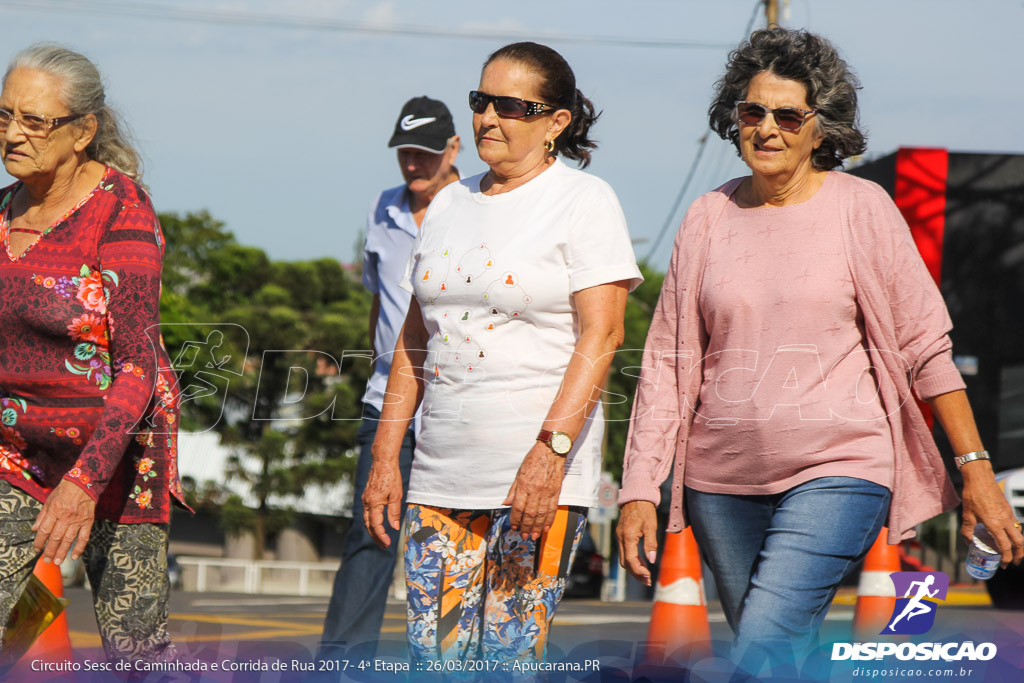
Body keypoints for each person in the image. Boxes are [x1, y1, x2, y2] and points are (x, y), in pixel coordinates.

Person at [617, 27, 1023, 674]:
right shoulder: (706, 217)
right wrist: (639, 485)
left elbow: (926, 347)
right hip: (719, 485)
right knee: (781, 652)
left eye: (787, 115)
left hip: (842, 467)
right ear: (735, 118)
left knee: (763, 642)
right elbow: (666, 363)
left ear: (820, 128)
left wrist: (974, 468)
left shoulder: (862, 209)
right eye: (753, 112)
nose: (767, 129)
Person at [364, 41, 642, 666]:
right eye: (480, 101)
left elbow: (602, 337)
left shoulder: (584, 201)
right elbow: (414, 340)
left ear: (556, 122)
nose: (489, 117)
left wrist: (551, 456)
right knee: (434, 663)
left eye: (512, 106)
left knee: (506, 665)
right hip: (440, 477)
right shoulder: (447, 205)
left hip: (536, 479)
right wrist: (387, 453)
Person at [0, 44, 186, 663]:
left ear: (83, 132)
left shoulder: (121, 211)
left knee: (133, 649)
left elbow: (137, 363)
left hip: (119, 454)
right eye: (4, 116)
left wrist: (83, 483)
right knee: (15, 631)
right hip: (16, 453)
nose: (13, 134)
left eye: (34, 120)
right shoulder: (3, 214)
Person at [317, 96, 460, 666]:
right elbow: (380, 302)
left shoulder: (477, 205)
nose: (412, 164)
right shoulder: (383, 208)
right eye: (404, 153)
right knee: (370, 535)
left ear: (453, 149)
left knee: (447, 544)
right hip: (388, 400)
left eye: (424, 153)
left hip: (457, 404)